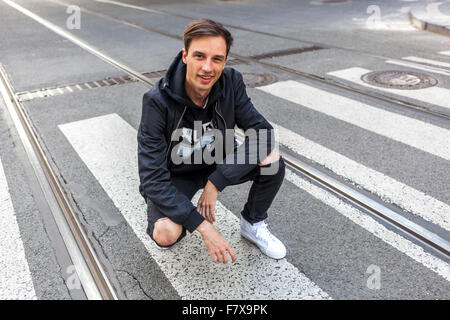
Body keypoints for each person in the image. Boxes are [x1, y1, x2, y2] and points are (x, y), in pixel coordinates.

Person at [138, 18, 286, 264]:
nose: (208, 67)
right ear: (185, 56)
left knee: (271, 160)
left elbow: (263, 132)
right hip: (178, 175)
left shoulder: (231, 82)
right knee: (165, 234)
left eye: (217, 59)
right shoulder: (156, 101)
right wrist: (203, 227)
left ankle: (253, 222)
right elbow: (152, 179)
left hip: (218, 163)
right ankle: (182, 212)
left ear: (225, 61)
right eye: (199, 56)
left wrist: (215, 183)